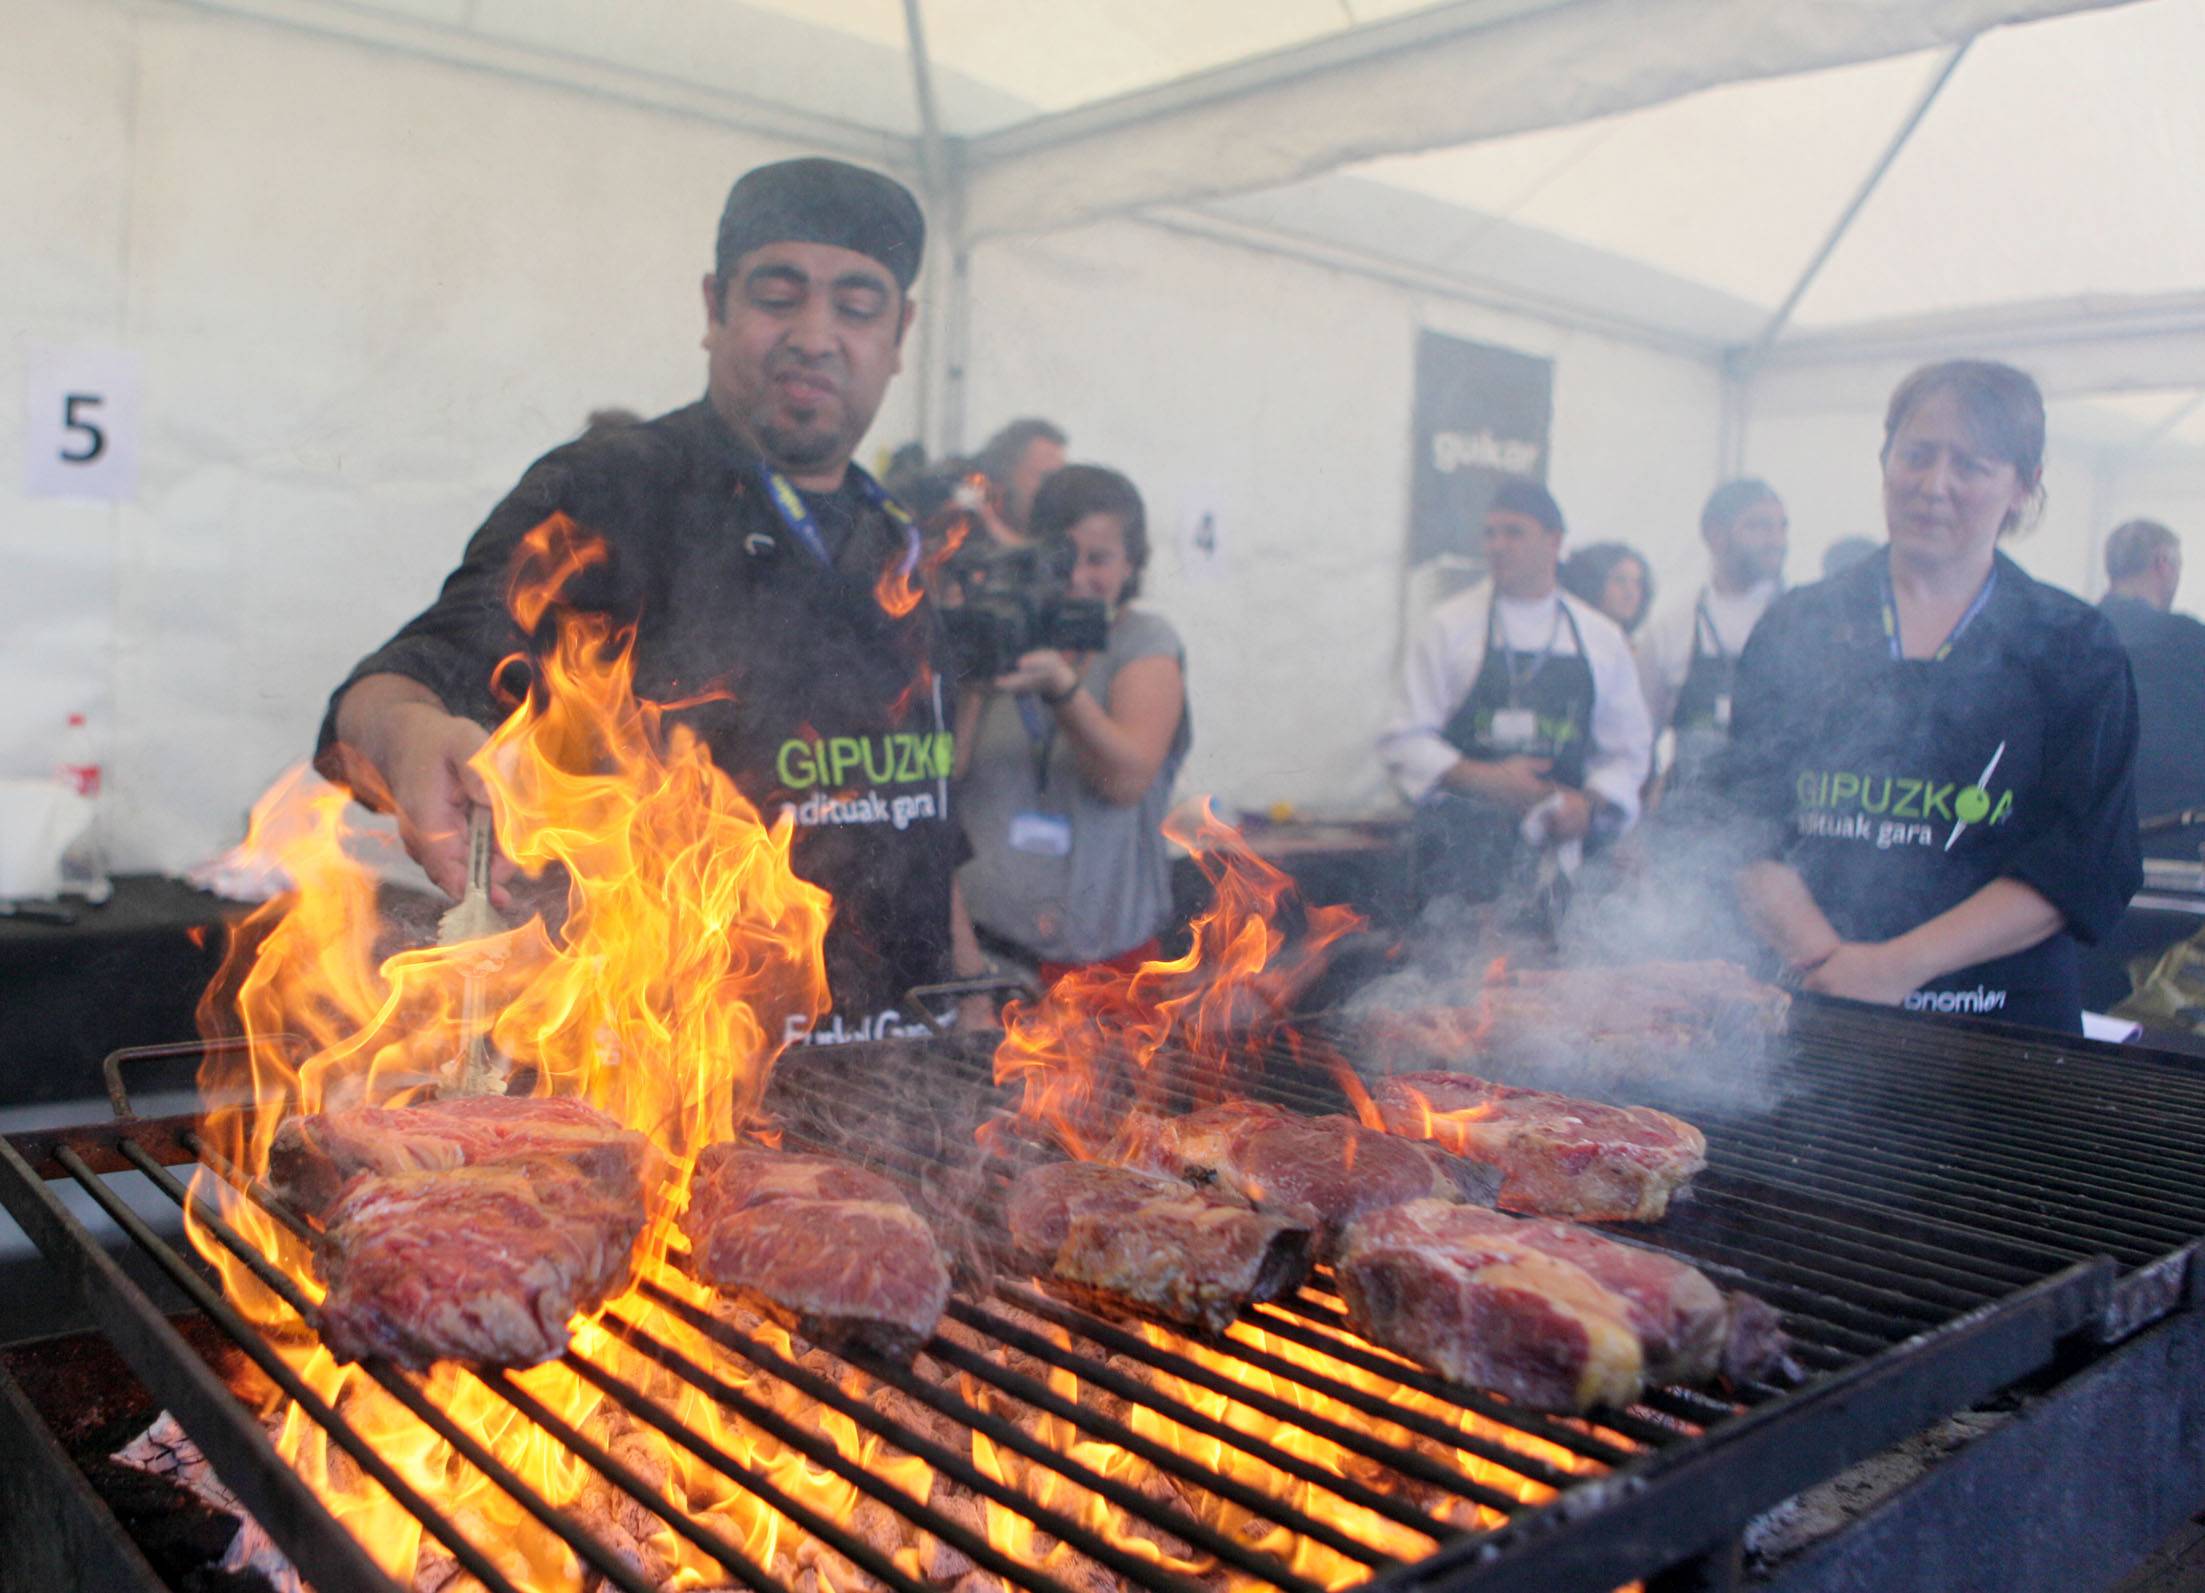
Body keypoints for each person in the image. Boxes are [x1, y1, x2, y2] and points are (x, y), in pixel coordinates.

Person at [315, 157, 988, 1045]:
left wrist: (970, 990)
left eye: (858, 306)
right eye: (778, 296)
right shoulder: (614, 487)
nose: (817, 335)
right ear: (714, 308)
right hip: (688, 1081)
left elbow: (916, 810)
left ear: (899, 334)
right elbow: (396, 686)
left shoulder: (893, 530)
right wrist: (406, 731)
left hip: (901, 1077)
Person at [1721, 360, 2142, 1034]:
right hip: (1813, 995)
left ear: (2022, 487)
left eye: (1971, 465)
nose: (1932, 486)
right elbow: (1742, 814)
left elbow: (2084, 856)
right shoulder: (1798, 622)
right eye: (1915, 455)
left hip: (2002, 1023)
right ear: (1885, 460)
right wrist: (1826, 957)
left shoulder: (2072, 643)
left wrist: (1893, 966)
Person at [954, 465, 1191, 983]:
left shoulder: (1143, 642)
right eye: (1063, 560)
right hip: (990, 957)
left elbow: (1126, 781)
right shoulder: (1005, 631)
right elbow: (945, 774)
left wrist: (1061, 687)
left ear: (1132, 564)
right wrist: (973, 668)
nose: (1080, 578)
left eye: (1099, 559)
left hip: (1103, 975)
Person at [1380, 478, 1653, 905]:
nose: (1497, 546)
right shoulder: (1448, 627)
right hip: (1458, 867)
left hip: (1565, 869)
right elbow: (1404, 739)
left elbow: (1629, 752)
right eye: (1490, 533)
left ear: (1554, 541)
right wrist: (1487, 779)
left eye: (1514, 532)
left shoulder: (1601, 638)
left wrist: (1589, 806)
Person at [1637, 479, 1789, 792]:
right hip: (1685, 818)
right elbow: (1637, 738)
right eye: (1759, 526)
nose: (1777, 540)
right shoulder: (1671, 626)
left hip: (1772, 818)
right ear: (1714, 535)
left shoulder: (1801, 621)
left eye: (1781, 527)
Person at [2097, 519, 2205, 855]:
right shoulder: (2189, 641)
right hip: (2175, 836)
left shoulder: (2074, 633)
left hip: (2090, 837)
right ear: (2163, 563)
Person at [972, 418, 1068, 542]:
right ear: (1006, 473)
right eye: (1045, 478)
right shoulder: (965, 529)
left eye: (1059, 479)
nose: (1056, 488)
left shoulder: (1068, 529)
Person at [1560, 543, 1654, 636]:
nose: (1630, 592)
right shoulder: (1567, 639)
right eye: (1620, 580)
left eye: (1637, 583)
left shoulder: (1633, 647)